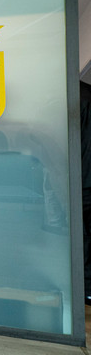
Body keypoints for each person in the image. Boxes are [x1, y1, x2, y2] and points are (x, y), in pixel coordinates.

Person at [81, 80, 91, 305]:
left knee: (82, 235)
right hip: (84, 178)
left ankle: (86, 288)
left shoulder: (70, 95)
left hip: (81, 180)